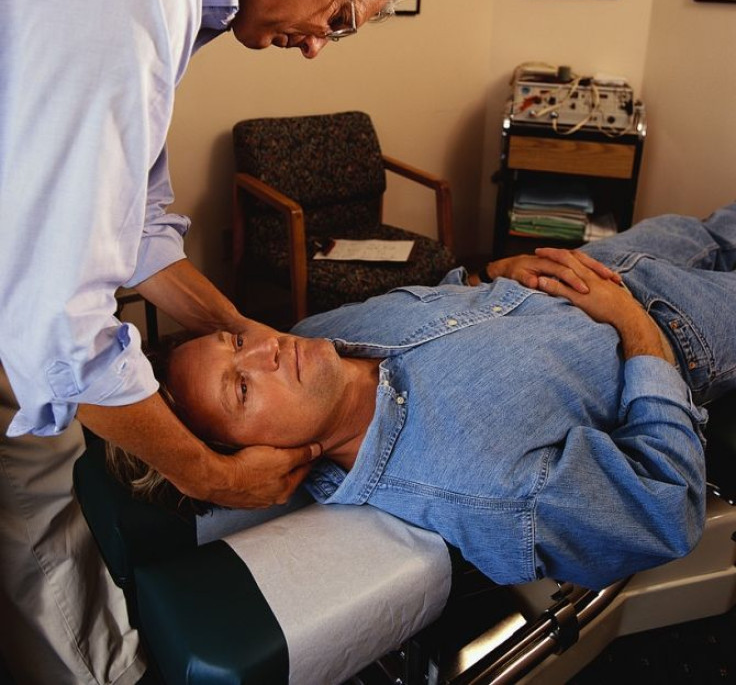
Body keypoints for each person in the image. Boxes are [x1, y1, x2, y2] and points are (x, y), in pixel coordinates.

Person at [0, 0, 412, 685]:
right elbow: (57, 325)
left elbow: (139, 227)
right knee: (37, 485)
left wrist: (236, 327)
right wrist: (213, 472)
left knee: (36, 492)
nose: (317, 49)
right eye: (339, 17)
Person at [126, 204, 736, 592]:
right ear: (260, 459)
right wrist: (636, 327)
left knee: (718, 222)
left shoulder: (315, 340)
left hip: (593, 262)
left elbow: (442, 300)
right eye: (241, 387)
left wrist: (491, 272)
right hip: (676, 327)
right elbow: (666, 510)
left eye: (236, 340)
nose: (265, 350)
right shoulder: (485, 486)